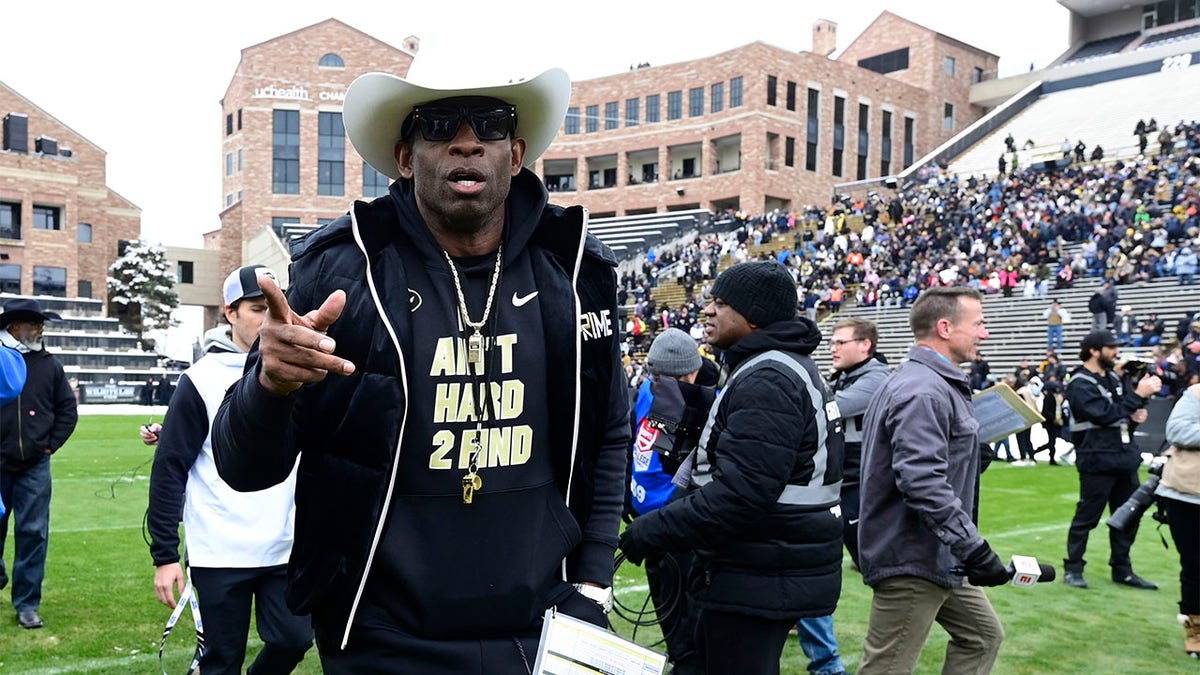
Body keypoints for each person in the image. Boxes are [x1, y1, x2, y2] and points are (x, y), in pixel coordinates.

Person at [210, 64, 629, 674]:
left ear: (515, 155)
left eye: (489, 124)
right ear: (405, 158)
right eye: (439, 126)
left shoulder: (574, 272)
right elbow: (243, 470)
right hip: (385, 639)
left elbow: (609, 433)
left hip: (543, 631)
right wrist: (268, 387)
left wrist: (592, 581)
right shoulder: (340, 274)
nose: (466, 141)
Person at [619, 261, 843, 675]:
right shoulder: (774, 367)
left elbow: (739, 496)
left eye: (721, 303)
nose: (708, 310)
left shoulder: (769, 378)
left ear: (753, 315)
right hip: (764, 566)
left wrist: (655, 528)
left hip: (759, 571)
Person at [147, 265, 313, 674]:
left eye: (277, 308)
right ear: (230, 313)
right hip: (219, 551)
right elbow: (171, 468)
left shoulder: (300, 373)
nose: (269, 317)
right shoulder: (199, 380)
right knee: (222, 660)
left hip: (284, 546)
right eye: (258, 308)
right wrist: (165, 555)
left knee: (293, 641)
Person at [857, 287, 1007, 674]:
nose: (985, 334)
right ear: (945, 327)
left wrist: (971, 454)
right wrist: (973, 548)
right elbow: (921, 480)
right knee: (886, 667)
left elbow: (925, 464)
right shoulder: (923, 390)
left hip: (937, 551)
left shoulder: (925, 382)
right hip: (913, 553)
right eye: (979, 324)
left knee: (982, 636)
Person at [626, 327, 713, 675]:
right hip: (647, 524)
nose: (664, 383)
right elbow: (636, 442)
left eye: (674, 377)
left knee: (689, 631)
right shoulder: (648, 390)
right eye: (657, 375)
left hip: (679, 526)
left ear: (692, 372)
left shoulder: (709, 398)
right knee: (667, 616)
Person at [0, 298, 79, 629]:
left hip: (35, 464)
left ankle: (27, 603)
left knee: (33, 533)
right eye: (35, 324)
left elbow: (67, 411)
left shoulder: (50, 365)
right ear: (15, 327)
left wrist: (51, 444)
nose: (40, 330)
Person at [1062, 329, 1162, 590]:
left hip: (1124, 458)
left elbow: (1120, 412)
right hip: (1097, 460)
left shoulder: (1113, 379)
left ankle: (1123, 569)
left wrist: (1134, 414)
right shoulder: (1079, 382)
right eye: (1111, 347)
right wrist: (1137, 396)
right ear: (1094, 350)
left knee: (1128, 516)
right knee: (1087, 516)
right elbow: (1103, 414)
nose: (1116, 351)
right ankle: (1073, 568)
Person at [1160, 383, 1200, 658]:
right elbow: (1176, 430)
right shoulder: (1196, 394)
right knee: (1196, 565)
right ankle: (1195, 630)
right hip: (1189, 495)